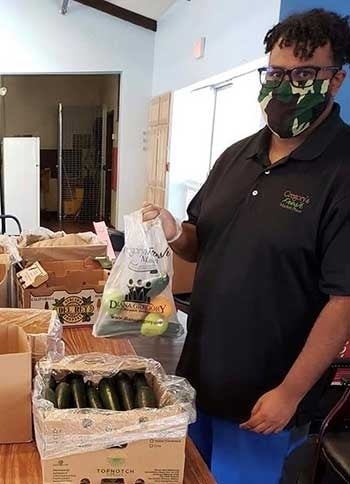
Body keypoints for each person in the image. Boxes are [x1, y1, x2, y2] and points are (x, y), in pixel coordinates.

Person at [143, 9, 350, 484]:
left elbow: (344, 301)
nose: (284, 87)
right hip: (200, 379)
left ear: (335, 81)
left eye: (303, 74)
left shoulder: (342, 170)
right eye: (275, 72)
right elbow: (200, 244)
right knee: (187, 477)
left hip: (265, 398)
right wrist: (176, 232)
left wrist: (291, 393)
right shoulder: (236, 156)